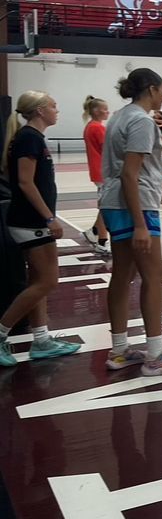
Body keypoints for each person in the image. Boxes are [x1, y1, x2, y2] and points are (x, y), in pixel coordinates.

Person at [101, 68, 162, 375]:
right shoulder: (142, 120)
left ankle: (119, 351)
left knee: (122, 276)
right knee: (154, 276)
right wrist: (141, 224)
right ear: (153, 90)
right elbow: (132, 173)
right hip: (136, 204)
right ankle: (156, 356)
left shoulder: (119, 115)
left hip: (113, 202)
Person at [0, 91, 82, 366]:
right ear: (39, 111)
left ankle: (42, 340)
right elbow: (24, 182)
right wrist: (49, 218)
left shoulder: (31, 137)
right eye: (53, 105)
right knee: (48, 281)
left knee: (39, 283)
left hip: (31, 220)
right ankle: (0, 334)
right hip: (31, 222)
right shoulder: (28, 139)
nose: (57, 110)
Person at [82, 95, 111, 254]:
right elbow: (109, 150)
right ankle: (102, 242)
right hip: (103, 171)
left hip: (98, 171)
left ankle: (93, 231)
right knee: (106, 206)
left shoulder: (90, 126)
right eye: (105, 109)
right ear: (96, 111)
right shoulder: (97, 128)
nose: (108, 111)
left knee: (104, 205)